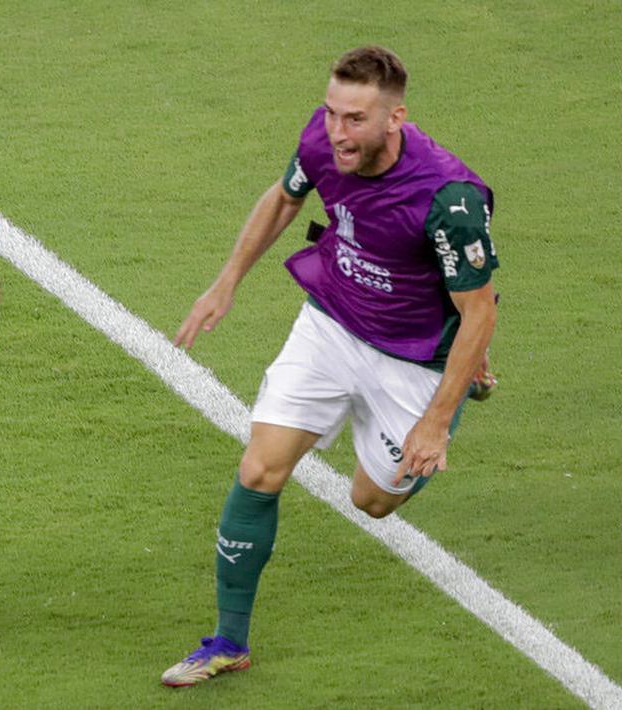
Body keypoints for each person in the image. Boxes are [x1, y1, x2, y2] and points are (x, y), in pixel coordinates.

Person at [161, 46, 499, 686]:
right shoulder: (322, 140)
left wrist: (435, 421)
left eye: (355, 120)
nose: (338, 132)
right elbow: (284, 198)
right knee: (259, 467)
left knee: (370, 500)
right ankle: (229, 640)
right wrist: (226, 280)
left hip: (414, 355)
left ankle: (464, 382)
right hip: (334, 322)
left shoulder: (449, 199)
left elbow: (480, 310)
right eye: (332, 113)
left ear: (395, 117)